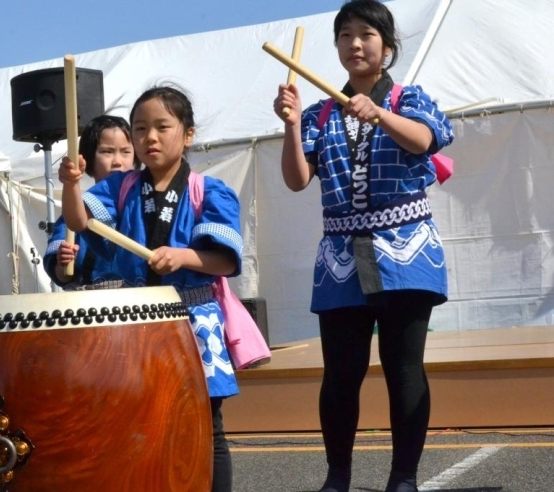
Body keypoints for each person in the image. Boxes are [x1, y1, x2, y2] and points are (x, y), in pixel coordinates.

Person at [273, 1, 454, 491]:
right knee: (341, 374)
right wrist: (290, 124)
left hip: (405, 248)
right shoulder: (318, 113)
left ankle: (404, 477)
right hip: (340, 255)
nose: (354, 43)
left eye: (366, 34)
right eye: (344, 35)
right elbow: (296, 179)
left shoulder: (408, 98)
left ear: (387, 47)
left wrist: (378, 114)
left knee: (404, 368)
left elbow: (427, 140)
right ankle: (337, 476)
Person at [60, 85, 242, 492]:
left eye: (162, 127)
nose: (150, 138)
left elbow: (225, 261)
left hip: (193, 322)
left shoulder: (208, 191)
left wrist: (184, 257)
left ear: (188, 134)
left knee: (206, 425)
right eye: (140, 129)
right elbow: (77, 221)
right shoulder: (120, 187)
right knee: (137, 422)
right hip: (135, 325)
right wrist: (71, 184)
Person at [43, 115, 136, 288]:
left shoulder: (141, 205)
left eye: (126, 151)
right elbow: (62, 276)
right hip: (89, 303)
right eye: (107, 152)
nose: (117, 162)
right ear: (88, 158)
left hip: (141, 301)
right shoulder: (76, 210)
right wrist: (63, 264)